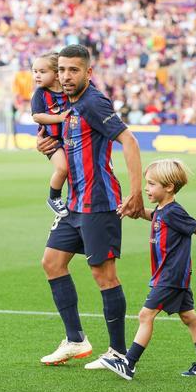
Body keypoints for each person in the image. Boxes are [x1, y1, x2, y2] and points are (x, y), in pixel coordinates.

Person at [36, 44, 144, 369]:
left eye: (74, 70)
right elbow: (76, 149)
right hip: (74, 203)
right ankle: (75, 340)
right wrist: (49, 147)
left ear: (88, 73)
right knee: (52, 263)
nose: (67, 76)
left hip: (98, 203)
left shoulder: (93, 102)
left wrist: (136, 192)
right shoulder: (66, 105)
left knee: (103, 275)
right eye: (63, 70)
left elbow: (129, 140)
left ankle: (119, 354)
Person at [101, 159, 196, 380]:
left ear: (168, 187)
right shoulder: (163, 210)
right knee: (190, 318)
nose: (146, 188)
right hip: (172, 277)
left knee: (145, 315)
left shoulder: (174, 212)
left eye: (151, 184)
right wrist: (135, 211)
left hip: (170, 276)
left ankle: (129, 364)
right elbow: (153, 216)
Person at [31, 52, 71, 217]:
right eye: (35, 71)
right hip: (52, 141)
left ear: (56, 75)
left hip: (70, 140)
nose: (37, 75)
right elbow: (37, 116)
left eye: (42, 71)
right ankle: (54, 197)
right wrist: (59, 118)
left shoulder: (69, 91)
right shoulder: (40, 94)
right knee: (62, 168)